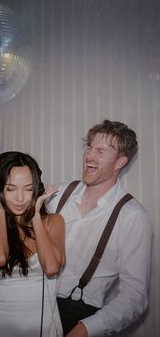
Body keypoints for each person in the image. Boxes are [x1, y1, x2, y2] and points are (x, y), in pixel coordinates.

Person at [47, 120, 153, 337]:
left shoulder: (133, 217)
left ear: (120, 162)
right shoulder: (57, 194)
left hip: (78, 317)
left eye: (100, 151)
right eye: (89, 147)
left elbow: (135, 296)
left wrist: (85, 329)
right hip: (29, 305)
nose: (89, 156)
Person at [0, 151, 65, 337]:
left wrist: (36, 216)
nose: (20, 199)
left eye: (28, 189)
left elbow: (52, 268)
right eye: (11, 189)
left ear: (37, 191)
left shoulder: (52, 222)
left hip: (44, 329)